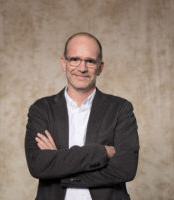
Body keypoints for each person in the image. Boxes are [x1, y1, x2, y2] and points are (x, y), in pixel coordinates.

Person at [25, 32, 139, 200]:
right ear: (64, 63)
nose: (82, 68)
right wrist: (101, 152)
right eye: (75, 59)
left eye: (90, 61)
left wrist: (59, 163)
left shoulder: (120, 109)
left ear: (100, 67)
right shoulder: (41, 109)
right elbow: (38, 165)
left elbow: (125, 168)